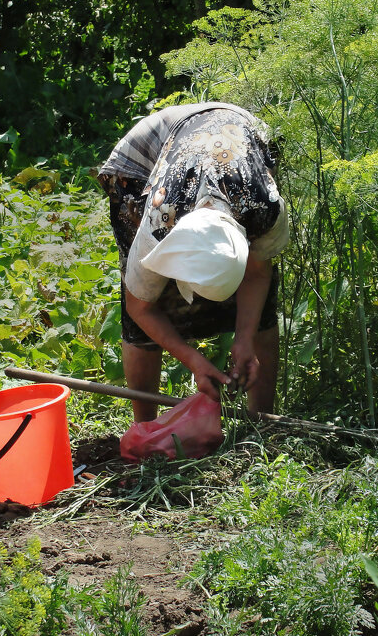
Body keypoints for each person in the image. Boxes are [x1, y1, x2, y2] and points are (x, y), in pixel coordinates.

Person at [98, 102, 289, 422]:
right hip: (142, 158)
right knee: (141, 325)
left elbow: (258, 275)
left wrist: (244, 340)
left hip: (238, 135)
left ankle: (263, 424)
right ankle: (146, 428)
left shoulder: (264, 207)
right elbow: (139, 306)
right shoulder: (160, 220)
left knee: (262, 314)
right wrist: (195, 363)